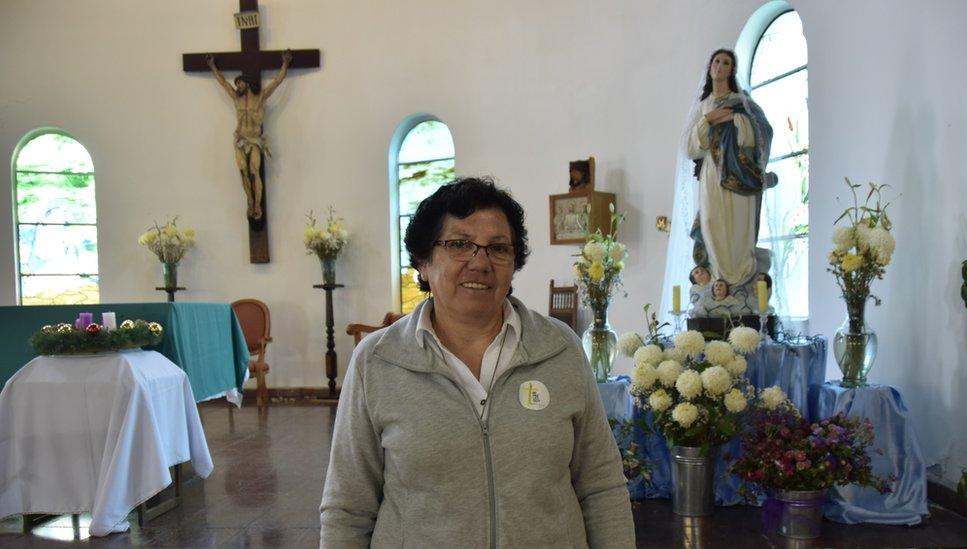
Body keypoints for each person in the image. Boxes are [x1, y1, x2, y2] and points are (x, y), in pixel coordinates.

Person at [320, 177, 634, 548]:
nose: (480, 262)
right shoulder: (376, 362)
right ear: (423, 261)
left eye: (498, 248)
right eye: (459, 244)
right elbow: (348, 508)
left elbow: (601, 485)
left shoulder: (559, 349)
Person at [686, 49, 777, 287]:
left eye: (726, 62)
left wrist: (734, 120)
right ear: (709, 67)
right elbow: (691, 148)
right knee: (712, 223)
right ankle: (717, 283)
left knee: (738, 227)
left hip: (739, 175)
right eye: (716, 61)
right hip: (712, 175)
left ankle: (741, 283)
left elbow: (762, 133)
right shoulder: (703, 106)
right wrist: (709, 119)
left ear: (731, 70)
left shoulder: (743, 103)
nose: (719, 66)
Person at [206, 50, 292, 220]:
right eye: (236, 84)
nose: (237, 86)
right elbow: (222, 82)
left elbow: (277, 81)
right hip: (240, 140)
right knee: (243, 171)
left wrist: (285, 63)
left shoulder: (260, 97)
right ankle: (249, 203)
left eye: (240, 83)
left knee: (254, 171)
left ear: (247, 83)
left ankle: (257, 205)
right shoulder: (236, 99)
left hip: (254, 141)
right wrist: (212, 66)